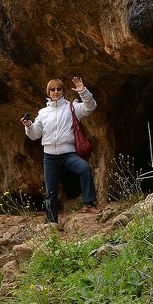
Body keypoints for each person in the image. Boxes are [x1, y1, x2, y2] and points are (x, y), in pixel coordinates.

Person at [21, 76, 98, 223]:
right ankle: (51, 221)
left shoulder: (72, 107)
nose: (56, 92)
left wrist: (83, 92)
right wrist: (28, 125)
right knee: (51, 190)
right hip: (50, 156)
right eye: (52, 89)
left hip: (68, 153)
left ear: (63, 91)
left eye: (59, 89)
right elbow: (35, 135)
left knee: (85, 168)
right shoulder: (43, 112)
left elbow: (91, 107)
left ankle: (88, 204)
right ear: (48, 92)